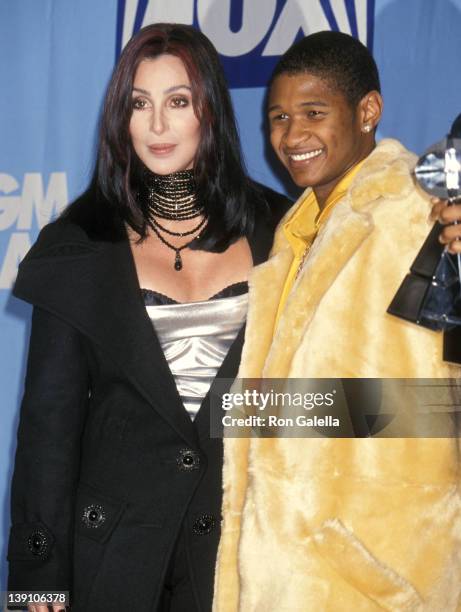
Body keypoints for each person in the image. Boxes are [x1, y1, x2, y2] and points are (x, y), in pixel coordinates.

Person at [7, 24, 290, 612]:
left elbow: (321, 395)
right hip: (113, 564)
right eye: (140, 104)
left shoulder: (286, 232)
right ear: (120, 118)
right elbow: (47, 433)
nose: (157, 125)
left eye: (178, 101)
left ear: (209, 109)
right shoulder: (79, 246)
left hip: (249, 560)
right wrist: (38, 581)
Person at [213, 32, 461, 611]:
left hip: (382, 570)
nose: (292, 136)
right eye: (278, 117)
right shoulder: (289, 234)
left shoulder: (423, 211)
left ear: (367, 111)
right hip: (280, 570)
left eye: (314, 113)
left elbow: (445, 402)